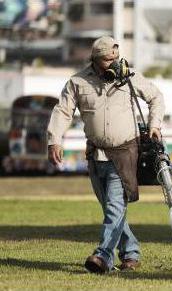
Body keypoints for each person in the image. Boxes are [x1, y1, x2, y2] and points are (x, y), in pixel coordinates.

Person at [47, 36, 165, 273]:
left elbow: (156, 97)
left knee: (114, 207)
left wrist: (155, 125)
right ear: (95, 60)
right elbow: (63, 111)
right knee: (112, 209)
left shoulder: (130, 77)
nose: (114, 63)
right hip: (95, 156)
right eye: (107, 60)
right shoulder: (77, 82)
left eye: (116, 58)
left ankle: (102, 257)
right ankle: (130, 252)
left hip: (124, 154)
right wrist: (54, 140)